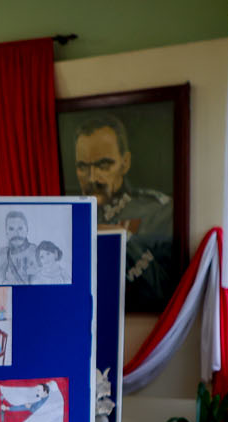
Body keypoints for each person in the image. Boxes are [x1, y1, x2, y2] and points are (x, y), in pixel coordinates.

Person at [72, 114, 174, 310]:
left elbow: (161, 290)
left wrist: (120, 238)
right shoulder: (70, 217)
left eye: (103, 165)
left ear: (125, 163)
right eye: (82, 167)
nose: (92, 178)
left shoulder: (157, 211)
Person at [1, 210, 38, 284]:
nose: (16, 233)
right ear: (6, 232)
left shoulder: (37, 252)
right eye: (11, 229)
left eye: (20, 228)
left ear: (27, 230)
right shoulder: (0, 255)